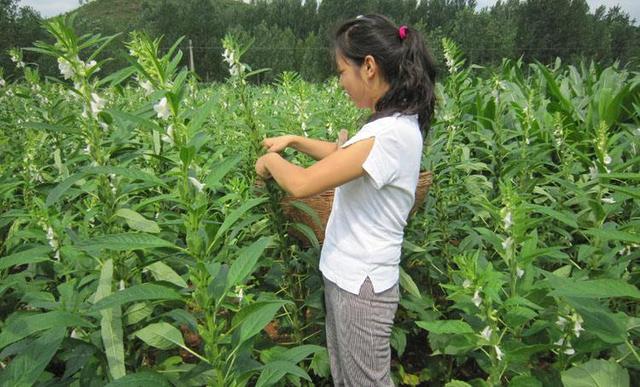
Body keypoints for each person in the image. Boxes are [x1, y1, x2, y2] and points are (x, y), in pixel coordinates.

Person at [255, 13, 436, 387]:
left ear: (368, 67)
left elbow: (302, 185)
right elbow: (343, 155)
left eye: (341, 71)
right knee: (348, 378)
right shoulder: (391, 124)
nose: (340, 82)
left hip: (362, 287)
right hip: (348, 278)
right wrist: (293, 140)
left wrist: (271, 161)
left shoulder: (389, 133)